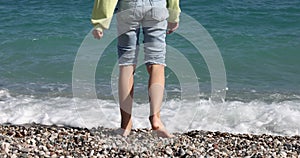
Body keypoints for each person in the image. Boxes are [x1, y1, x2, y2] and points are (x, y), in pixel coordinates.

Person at [91, 0, 180, 138]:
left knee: (127, 65)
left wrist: (100, 23)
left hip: (129, 8)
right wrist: (174, 15)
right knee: (156, 63)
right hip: (156, 7)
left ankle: (125, 125)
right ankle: (156, 119)